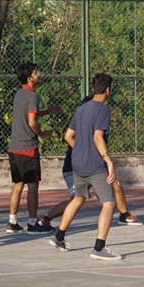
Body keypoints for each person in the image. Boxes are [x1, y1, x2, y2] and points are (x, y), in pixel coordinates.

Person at [49, 73, 122, 260]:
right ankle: (99, 248)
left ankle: (59, 236)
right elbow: (98, 137)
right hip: (94, 166)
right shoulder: (103, 110)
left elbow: (68, 136)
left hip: (78, 163)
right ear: (108, 90)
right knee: (109, 203)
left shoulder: (81, 109)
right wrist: (108, 160)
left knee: (78, 198)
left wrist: (81, 149)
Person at [39, 98, 142, 228]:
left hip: (93, 166)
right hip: (74, 168)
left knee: (115, 183)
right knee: (76, 199)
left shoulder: (95, 125)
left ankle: (124, 215)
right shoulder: (81, 126)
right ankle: (47, 220)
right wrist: (83, 152)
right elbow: (69, 137)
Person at [6, 62, 61, 234]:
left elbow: (29, 114)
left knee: (18, 185)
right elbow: (31, 122)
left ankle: (12, 222)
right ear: (30, 78)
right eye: (36, 72)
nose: (39, 74)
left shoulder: (19, 94)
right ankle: (31, 223)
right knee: (33, 186)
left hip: (14, 148)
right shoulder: (32, 96)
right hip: (27, 148)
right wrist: (42, 134)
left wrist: (47, 111)